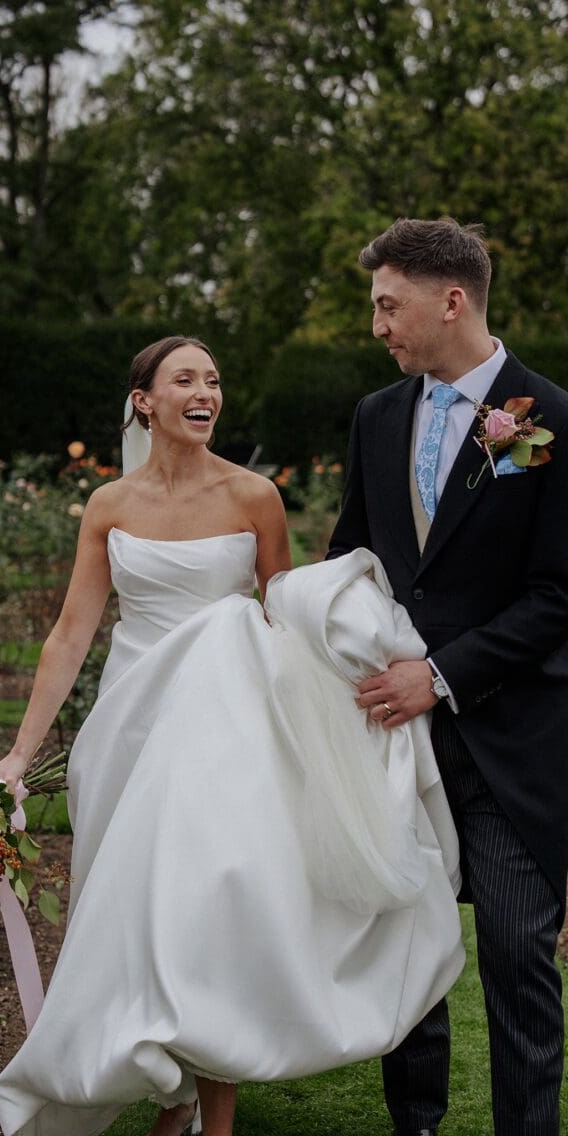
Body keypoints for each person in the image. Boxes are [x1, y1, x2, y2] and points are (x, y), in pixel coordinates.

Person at [0, 335, 464, 1136]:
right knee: (138, 911)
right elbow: (71, 633)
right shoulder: (109, 506)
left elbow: (287, 614)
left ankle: (216, 1120)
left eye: (213, 379)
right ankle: (171, 1089)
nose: (205, 390)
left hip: (226, 730)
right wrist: (19, 753)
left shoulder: (256, 497)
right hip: (131, 724)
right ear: (144, 400)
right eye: (185, 379)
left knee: (207, 908)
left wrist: (350, 671)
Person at [328, 217, 568, 1136]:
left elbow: (557, 594)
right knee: (409, 964)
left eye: (389, 306)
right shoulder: (376, 416)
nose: (379, 326)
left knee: (518, 965)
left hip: (511, 744)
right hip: (395, 743)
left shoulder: (546, 418)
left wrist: (443, 673)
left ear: (450, 299)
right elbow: (353, 555)